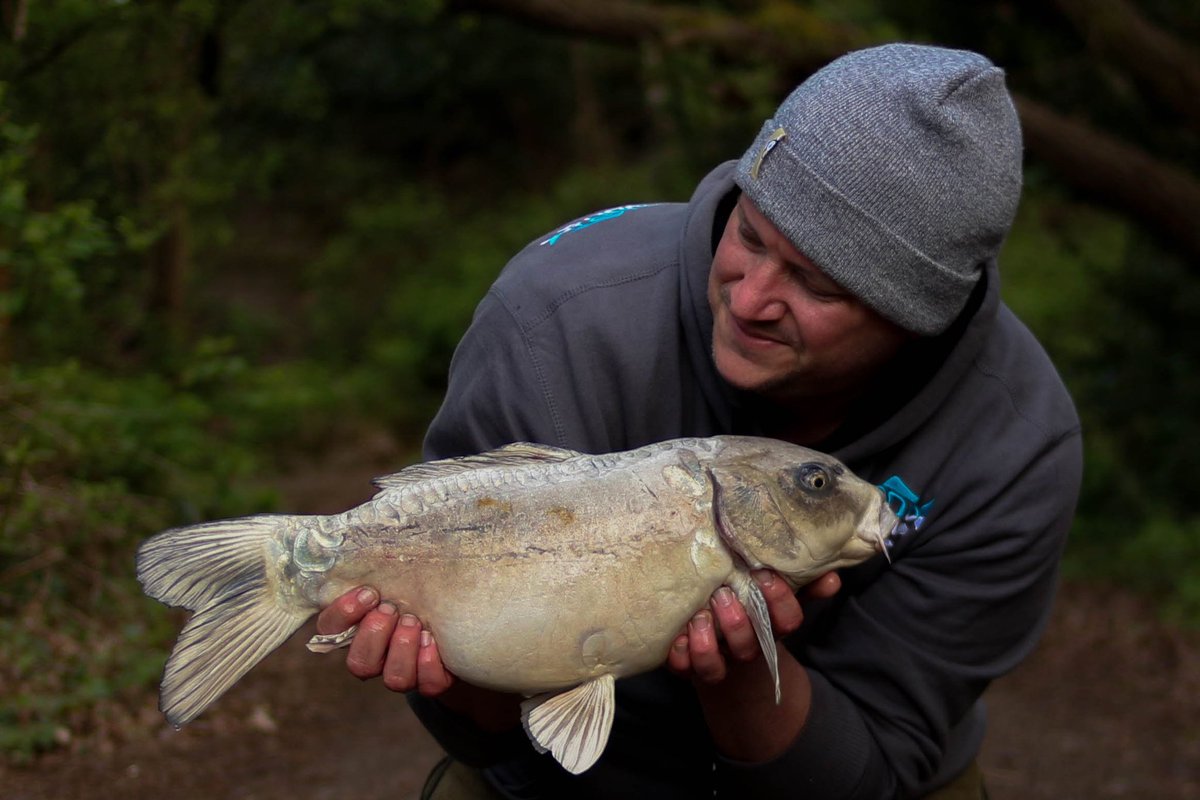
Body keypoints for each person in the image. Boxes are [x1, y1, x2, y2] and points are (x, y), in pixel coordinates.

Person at [316, 43, 1082, 799]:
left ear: (914, 320)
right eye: (749, 236)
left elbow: (874, 766)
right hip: (548, 778)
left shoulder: (1015, 445)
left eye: (816, 285)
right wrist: (450, 676)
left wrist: (744, 673)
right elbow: (483, 733)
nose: (748, 300)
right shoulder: (558, 319)